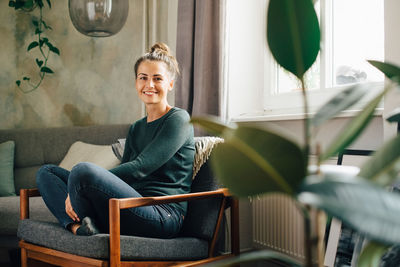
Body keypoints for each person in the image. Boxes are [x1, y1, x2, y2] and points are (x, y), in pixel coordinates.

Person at [36, 43, 195, 238]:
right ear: (136, 83)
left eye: (157, 79)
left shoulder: (179, 119)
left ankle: (89, 222)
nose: (149, 85)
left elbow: (139, 168)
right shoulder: (137, 127)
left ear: (170, 84)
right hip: (129, 206)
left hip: (162, 214)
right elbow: (126, 170)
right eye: (143, 78)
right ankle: (79, 228)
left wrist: (77, 185)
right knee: (47, 173)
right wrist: (77, 186)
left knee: (82, 171)